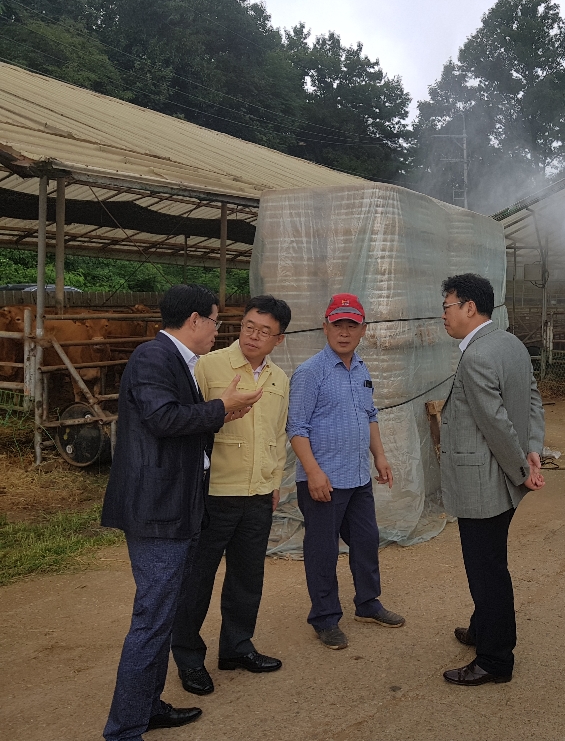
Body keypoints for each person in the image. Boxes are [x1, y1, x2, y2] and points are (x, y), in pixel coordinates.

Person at [101, 285, 263, 741]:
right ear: (195, 320)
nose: (218, 330)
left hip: (176, 503)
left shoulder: (176, 361)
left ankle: (146, 707)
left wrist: (219, 415)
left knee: (163, 611)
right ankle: (125, 727)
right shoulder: (153, 358)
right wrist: (220, 407)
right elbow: (163, 419)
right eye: (215, 320)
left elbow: (177, 422)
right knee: (153, 617)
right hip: (157, 510)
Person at [170, 295, 292, 696]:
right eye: (248, 327)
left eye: (265, 332)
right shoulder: (209, 366)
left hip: (258, 494)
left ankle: (237, 647)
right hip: (215, 493)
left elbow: (277, 435)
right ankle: (189, 658)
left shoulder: (279, 379)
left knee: (247, 576)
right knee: (197, 579)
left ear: (279, 339)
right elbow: (189, 424)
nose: (254, 336)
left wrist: (273, 484)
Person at [438, 273, 545, 686]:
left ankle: (495, 659)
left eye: (447, 306)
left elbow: (496, 425)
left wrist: (523, 470)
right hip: (501, 481)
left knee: (487, 571)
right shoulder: (510, 343)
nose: (443, 316)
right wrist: (533, 447)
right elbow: (532, 396)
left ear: (469, 307)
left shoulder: (478, 356)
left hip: (484, 483)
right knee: (490, 562)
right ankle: (483, 629)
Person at [286, 293, 404, 650]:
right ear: (325, 327)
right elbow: (297, 428)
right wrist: (313, 472)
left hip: (357, 475)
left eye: (351, 325)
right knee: (322, 550)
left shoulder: (362, 369)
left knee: (366, 542)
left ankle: (367, 603)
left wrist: (379, 456)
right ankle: (324, 618)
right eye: (337, 324)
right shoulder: (310, 373)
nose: (344, 332)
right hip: (323, 480)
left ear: (362, 330)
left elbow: (369, 415)